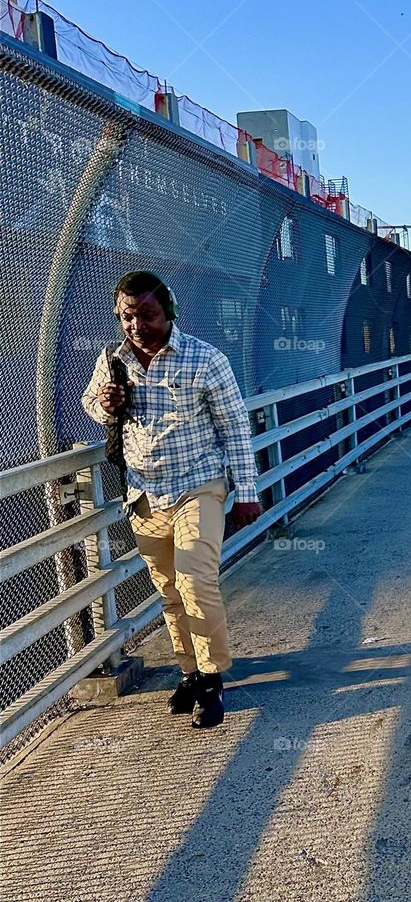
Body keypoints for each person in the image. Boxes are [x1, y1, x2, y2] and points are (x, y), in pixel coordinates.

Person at [82, 271, 262, 728]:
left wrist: (247, 492)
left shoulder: (206, 359)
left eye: (147, 314)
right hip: (143, 492)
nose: (137, 325)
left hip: (198, 484)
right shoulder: (112, 358)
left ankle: (212, 679)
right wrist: (106, 403)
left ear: (169, 312)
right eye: (127, 316)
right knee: (168, 590)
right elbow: (91, 404)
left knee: (195, 581)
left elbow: (235, 429)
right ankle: (189, 672)